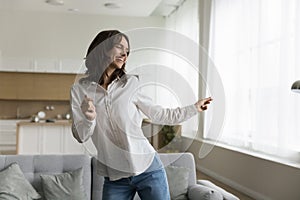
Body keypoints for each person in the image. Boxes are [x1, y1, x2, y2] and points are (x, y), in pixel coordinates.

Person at [70, 30, 213, 200]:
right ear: (102, 48)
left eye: (127, 50)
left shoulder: (131, 83)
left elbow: (160, 115)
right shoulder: (80, 90)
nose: (125, 54)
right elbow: (81, 136)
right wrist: (89, 118)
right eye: (119, 47)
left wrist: (194, 108)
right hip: (115, 176)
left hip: (148, 168)